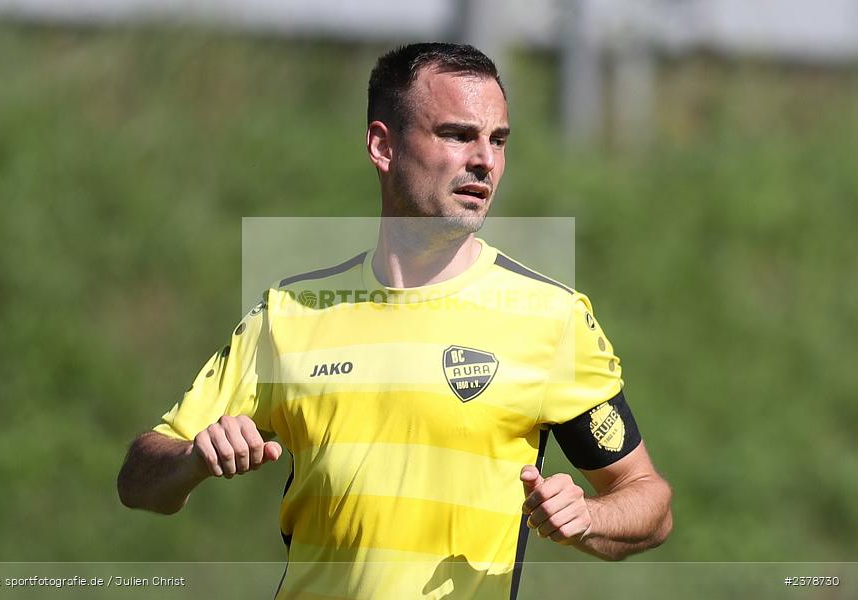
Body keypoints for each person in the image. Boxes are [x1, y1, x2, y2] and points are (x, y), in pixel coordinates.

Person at [117, 42, 672, 599]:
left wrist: (588, 518)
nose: (485, 160)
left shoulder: (549, 317)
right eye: (458, 135)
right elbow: (139, 480)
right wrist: (193, 458)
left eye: (497, 140)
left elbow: (648, 500)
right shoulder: (290, 314)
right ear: (383, 146)